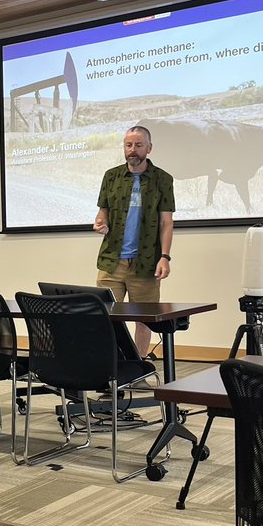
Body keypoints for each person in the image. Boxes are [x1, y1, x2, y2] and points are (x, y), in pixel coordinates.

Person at [93, 125, 176, 358]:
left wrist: (165, 257)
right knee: (104, 317)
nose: (133, 150)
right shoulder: (112, 176)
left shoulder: (163, 179)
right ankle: (110, 369)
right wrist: (100, 222)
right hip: (111, 261)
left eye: (138, 145)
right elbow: (103, 212)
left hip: (146, 262)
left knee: (143, 320)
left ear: (149, 148)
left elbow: (166, 223)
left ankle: (138, 367)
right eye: (128, 145)